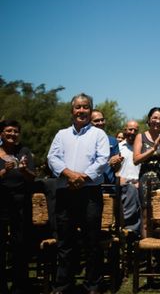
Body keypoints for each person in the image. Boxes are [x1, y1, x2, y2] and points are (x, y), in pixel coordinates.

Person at [47, 93, 110, 294]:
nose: (81, 111)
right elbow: (52, 157)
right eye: (78, 107)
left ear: (90, 111)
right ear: (72, 110)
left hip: (90, 193)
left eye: (85, 107)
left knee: (92, 242)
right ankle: (63, 285)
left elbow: (102, 160)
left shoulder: (98, 135)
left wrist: (81, 178)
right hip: (65, 193)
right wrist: (69, 175)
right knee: (65, 242)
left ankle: (92, 285)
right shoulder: (61, 134)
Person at [133, 106, 160, 271]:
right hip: (146, 180)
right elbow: (136, 160)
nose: (157, 121)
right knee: (146, 219)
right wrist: (153, 147)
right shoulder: (140, 137)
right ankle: (149, 257)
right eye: (155, 118)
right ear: (149, 119)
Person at [0, 120, 36, 294]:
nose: (12, 134)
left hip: (21, 204)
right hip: (2, 203)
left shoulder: (24, 151)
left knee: (19, 245)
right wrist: (4, 171)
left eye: (16, 131)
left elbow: (33, 177)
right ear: (1, 133)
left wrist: (24, 170)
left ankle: (19, 285)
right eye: (8, 131)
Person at [118, 120, 142, 237]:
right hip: (123, 187)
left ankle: (136, 242)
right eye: (130, 129)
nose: (132, 132)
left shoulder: (142, 149)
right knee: (124, 217)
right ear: (124, 130)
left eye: (135, 130)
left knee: (140, 219)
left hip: (139, 186)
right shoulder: (118, 147)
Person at [91, 110, 123, 188]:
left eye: (102, 120)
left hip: (109, 186)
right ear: (89, 122)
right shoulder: (84, 140)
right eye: (96, 121)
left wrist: (117, 162)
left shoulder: (113, 141)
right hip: (91, 186)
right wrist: (108, 162)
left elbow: (117, 169)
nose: (101, 123)